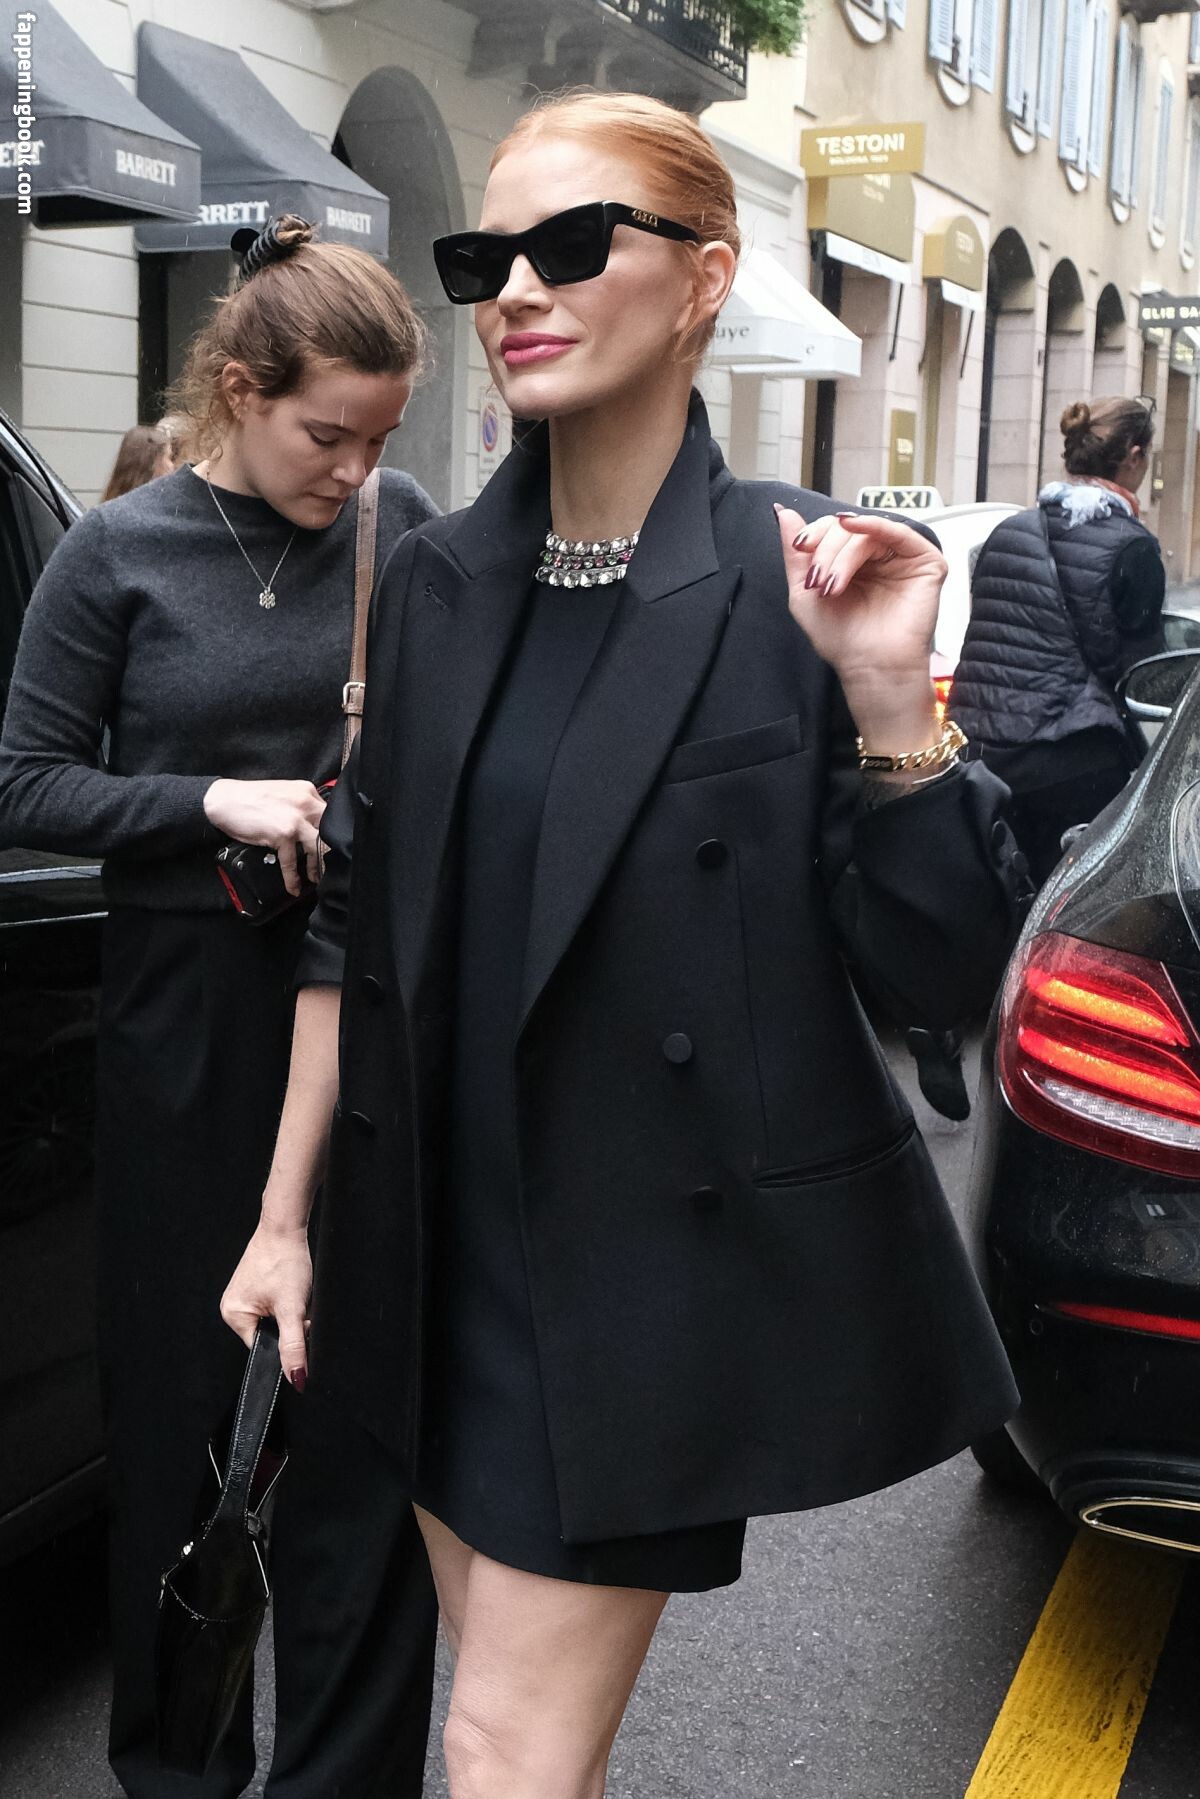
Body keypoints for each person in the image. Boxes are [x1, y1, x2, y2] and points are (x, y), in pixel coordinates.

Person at [221, 96, 1027, 1799]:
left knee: (500, 1745)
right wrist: (288, 1223)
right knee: (523, 1746)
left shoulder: (797, 576)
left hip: (645, 1289)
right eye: (486, 257)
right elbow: (355, 930)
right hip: (429, 1256)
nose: (519, 286)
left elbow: (940, 979)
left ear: (703, 280)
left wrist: (891, 700)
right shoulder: (436, 583)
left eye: (574, 244)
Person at [0, 216, 439, 1799]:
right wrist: (209, 800)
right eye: (329, 433)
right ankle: (179, 1770)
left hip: (368, 1000)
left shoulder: (399, 531)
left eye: (380, 436)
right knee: (184, 1409)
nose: (356, 467)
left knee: (359, 1425)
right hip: (184, 1010)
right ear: (241, 391)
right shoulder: (119, 552)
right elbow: (24, 781)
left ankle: (344, 1772)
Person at [952, 394, 1166, 885]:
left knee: (1000, 899)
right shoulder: (1132, 546)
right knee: (1072, 904)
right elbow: (1139, 674)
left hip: (981, 759)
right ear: (1134, 456)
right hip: (1069, 763)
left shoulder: (1007, 532)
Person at [100, 421, 173, 500]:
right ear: (152, 463)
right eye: (169, 457)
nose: (172, 465)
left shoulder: (113, 502)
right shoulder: (154, 502)